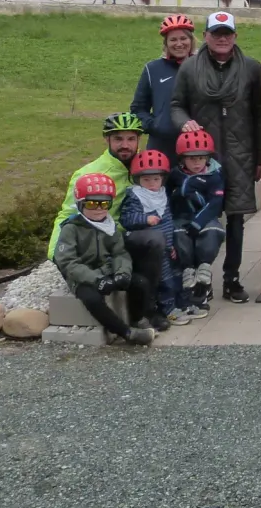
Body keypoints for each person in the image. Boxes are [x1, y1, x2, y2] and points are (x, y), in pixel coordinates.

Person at [170, 11, 261, 304]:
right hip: (200, 157)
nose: (222, 38)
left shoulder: (251, 68)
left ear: (235, 36)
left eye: (227, 33)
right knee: (198, 218)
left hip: (240, 154)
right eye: (216, 33)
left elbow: (260, 115)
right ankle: (199, 278)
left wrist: (260, 156)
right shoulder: (188, 68)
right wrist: (183, 122)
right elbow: (176, 105)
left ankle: (232, 279)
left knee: (236, 220)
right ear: (206, 36)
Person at [53, 174, 157, 345]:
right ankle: (126, 332)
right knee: (92, 299)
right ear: (80, 204)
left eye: (104, 203)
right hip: (82, 277)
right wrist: (96, 280)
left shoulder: (109, 226)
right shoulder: (71, 229)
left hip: (105, 270)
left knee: (140, 283)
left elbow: (119, 253)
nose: (99, 209)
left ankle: (137, 319)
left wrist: (122, 273)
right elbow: (67, 262)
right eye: (92, 204)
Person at [48, 112, 141, 260]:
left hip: (131, 236)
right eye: (118, 139)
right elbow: (68, 215)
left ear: (138, 140)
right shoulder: (87, 174)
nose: (125, 145)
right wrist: (56, 254)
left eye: (131, 139)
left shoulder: (147, 168)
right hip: (99, 242)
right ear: (107, 139)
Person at [115, 149, 177, 329]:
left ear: (162, 179)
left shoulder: (162, 195)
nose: (151, 184)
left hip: (164, 245)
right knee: (155, 279)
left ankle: (169, 308)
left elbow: (169, 222)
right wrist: (144, 219)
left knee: (168, 278)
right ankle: (154, 309)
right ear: (138, 180)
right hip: (147, 247)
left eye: (156, 179)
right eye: (146, 180)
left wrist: (171, 244)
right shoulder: (135, 196)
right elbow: (125, 219)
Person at [167, 128, 224, 315]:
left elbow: (216, 203)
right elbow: (166, 198)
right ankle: (189, 271)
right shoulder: (175, 175)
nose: (197, 162)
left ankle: (204, 268)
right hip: (181, 219)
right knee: (179, 236)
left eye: (201, 157)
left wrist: (198, 223)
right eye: (191, 158)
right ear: (182, 159)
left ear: (208, 157)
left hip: (205, 218)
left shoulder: (214, 176)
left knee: (213, 233)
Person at [131, 13, 195, 161]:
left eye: (183, 38)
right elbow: (138, 108)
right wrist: (156, 126)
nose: (179, 44)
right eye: (173, 39)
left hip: (196, 149)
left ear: (191, 41)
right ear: (166, 43)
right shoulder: (152, 69)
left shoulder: (202, 67)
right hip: (161, 147)